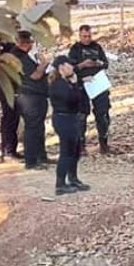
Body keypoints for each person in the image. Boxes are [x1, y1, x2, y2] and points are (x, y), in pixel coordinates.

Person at [48, 55, 92, 196]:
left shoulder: (66, 82)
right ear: (62, 68)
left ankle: (73, 178)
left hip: (71, 119)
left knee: (75, 150)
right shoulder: (58, 84)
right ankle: (60, 184)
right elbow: (71, 99)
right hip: (63, 119)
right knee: (66, 152)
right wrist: (75, 85)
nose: (72, 67)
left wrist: (75, 84)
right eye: (69, 65)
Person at [68, 24, 112, 154]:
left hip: (98, 82)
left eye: (89, 36)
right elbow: (70, 68)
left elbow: (105, 63)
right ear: (79, 36)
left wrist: (97, 63)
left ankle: (103, 143)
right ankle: (81, 145)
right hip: (82, 84)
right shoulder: (75, 49)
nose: (87, 39)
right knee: (81, 115)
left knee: (103, 114)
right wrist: (83, 65)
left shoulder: (97, 47)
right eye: (84, 36)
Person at [11, 31, 50, 170]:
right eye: (29, 43)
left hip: (37, 95)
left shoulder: (26, 55)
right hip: (29, 96)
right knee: (32, 128)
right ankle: (31, 160)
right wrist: (44, 64)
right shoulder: (18, 57)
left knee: (39, 126)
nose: (31, 45)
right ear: (24, 43)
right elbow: (34, 75)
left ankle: (41, 156)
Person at [0, 40, 21, 161]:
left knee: (13, 117)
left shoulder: (14, 45)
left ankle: (11, 149)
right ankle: (7, 150)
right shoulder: (4, 45)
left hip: (13, 85)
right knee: (9, 117)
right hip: (5, 86)